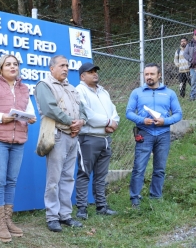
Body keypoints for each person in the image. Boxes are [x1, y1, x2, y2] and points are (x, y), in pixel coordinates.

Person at [0, 54, 37, 242]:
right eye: (8, 64)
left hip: (18, 139)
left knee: (11, 181)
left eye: (15, 64)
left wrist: (31, 117)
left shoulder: (24, 88)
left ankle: (8, 219)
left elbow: (31, 111)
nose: (12, 67)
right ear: (0, 68)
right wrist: (1, 117)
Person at [34, 55, 87, 232]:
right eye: (62, 65)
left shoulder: (71, 88)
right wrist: (72, 122)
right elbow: (50, 109)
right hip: (57, 135)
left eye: (67, 66)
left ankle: (65, 215)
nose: (66, 69)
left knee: (68, 177)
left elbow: (83, 110)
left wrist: (81, 122)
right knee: (54, 179)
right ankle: (52, 217)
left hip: (73, 136)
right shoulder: (44, 85)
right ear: (51, 68)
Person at [126, 63, 182, 209]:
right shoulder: (137, 93)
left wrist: (165, 121)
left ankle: (156, 197)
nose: (149, 77)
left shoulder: (169, 93)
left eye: (152, 74)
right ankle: (135, 199)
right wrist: (142, 120)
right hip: (145, 133)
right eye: (146, 74)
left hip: (163, 134)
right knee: (139, 167)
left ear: (159, 75)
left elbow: (178, 114)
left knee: (160, 168)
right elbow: (129, 112)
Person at [75, 62, 120, 220]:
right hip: (88, 138)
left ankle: (101, 206)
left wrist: (113, 124)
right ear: (82, 76)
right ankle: (82, 208)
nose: (95, 74)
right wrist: (108, 122)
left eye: (96, 71)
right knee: (84, 173)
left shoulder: (103, 91)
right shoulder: (79, 90)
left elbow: (114, 112)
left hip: (105, 139)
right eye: (90, 72)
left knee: (101, 175)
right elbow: (87, 115)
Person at [183, 30, 196, 101]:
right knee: (193, 82)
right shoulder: (189, 44)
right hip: (193, 67)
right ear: (193, 36)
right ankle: (193, 97)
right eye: (195, 35)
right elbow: (185, 54)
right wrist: (191, 59)